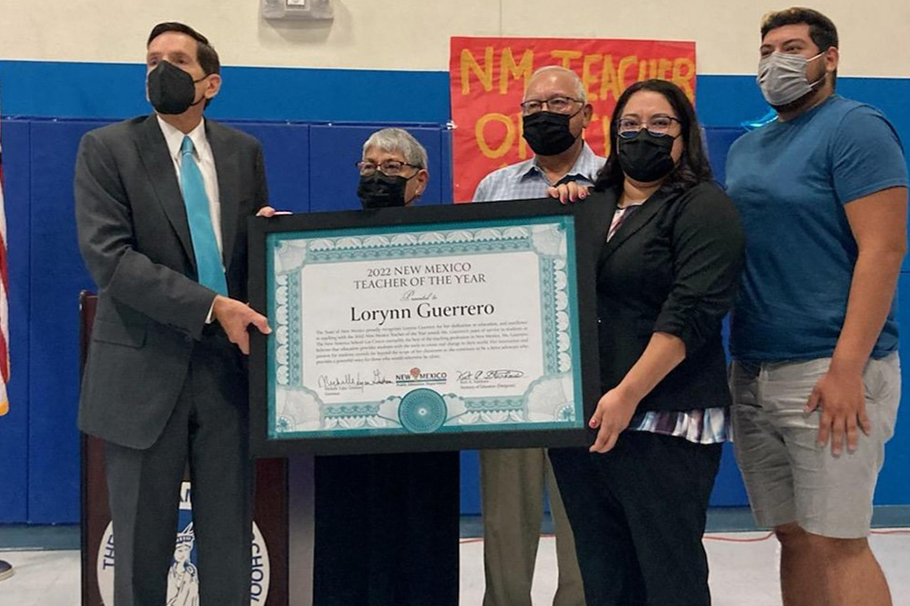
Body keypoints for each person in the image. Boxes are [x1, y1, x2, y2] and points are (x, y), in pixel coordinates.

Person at [74, 22, 272, 606]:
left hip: (227, 369)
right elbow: (109, 261)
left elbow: (246, 255)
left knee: (229, 540)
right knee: (140, 547)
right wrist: (211, 306)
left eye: (177, 60)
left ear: (210, 82)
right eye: (152, 60)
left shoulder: (243, 151)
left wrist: (276, 245)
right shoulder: (106, 148)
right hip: (140, 369)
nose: (160, 69)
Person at [724, 8, 907, 606]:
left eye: (792, 47)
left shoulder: (856, 127)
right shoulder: (747, 149)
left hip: (828, 371)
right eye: (767, 48)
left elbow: (883, 250)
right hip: (753, 368)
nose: (775, 60)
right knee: (794, 536)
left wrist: (847, 369)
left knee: (838, 540)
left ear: (829, 58)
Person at [547, 78, 745, 606]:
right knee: (604, 574)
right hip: (587, 421)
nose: (644, 135)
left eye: (661, 124)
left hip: (664, 421)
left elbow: (690, 314)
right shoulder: (588, 205)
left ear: (685, 136)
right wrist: (561, 206)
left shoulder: (705, 207)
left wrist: (628, 393)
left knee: (667, 576)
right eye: (630, 125)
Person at [311, 128, 460, 606]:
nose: (378, 175)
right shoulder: (324, 242)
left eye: (392, 167)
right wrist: (270, 235)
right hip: (346, 423)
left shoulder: (452, 243)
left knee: (421, 544)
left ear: (420, 181)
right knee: (346, 543)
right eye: (369, 166)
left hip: (427, 422)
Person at [472, 65, 598, 606]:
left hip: (594, 379)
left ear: (586, 114)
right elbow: (469, 271)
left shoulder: (617, 181)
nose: (544, 115)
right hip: (509, 381)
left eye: (559, 104)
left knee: (587, 522)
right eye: (532, 107)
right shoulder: (492, 186)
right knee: (504, 519)